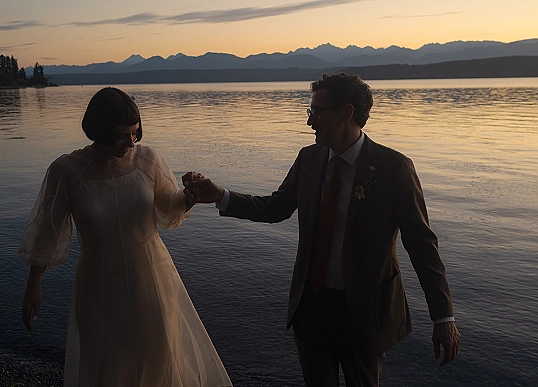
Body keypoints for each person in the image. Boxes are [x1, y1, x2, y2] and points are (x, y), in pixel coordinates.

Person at [183, 73, 461, 386]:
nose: (310, 122)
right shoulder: (309, 158)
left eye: (317, 113)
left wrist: (443, 316)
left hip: (366, 313)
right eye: (309, 112)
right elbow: (276, 208)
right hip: (311, 309)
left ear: (347, 113)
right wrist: (220, 195)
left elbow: (421, 244)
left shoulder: (393, 168)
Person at [19, 87, 232, 387]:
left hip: (152, 277)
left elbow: (169, 208)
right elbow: (46, 234)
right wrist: (33, 288)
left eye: (135, 133)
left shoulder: (148, 160)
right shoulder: (67, 171)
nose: (130, 143)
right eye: (121, 135)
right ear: (99, 129)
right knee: (108, 364)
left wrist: (189, 196)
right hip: (99, 284)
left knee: (158, 358)